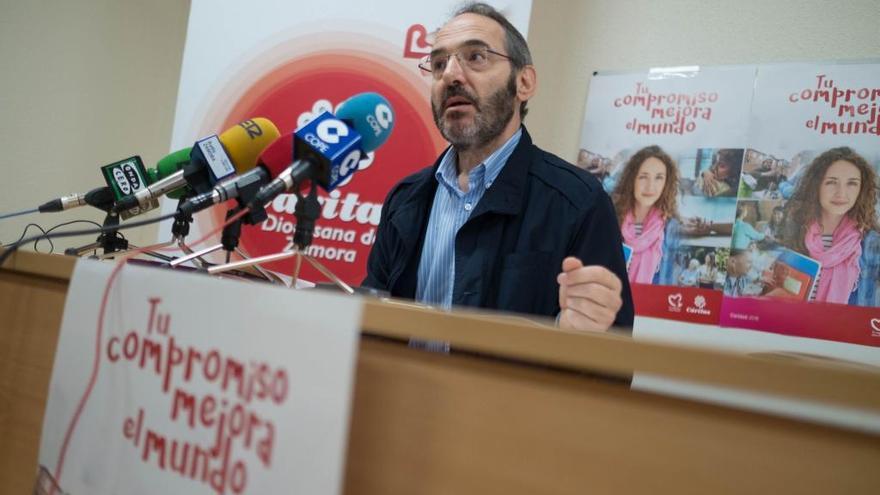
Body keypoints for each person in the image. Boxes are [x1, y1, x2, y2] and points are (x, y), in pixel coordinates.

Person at [362, 3, 634, 330]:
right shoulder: (405, 200)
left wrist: (582, 339)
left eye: (476, 57)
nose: (450, 75)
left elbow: (611, 365)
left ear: (524, 83)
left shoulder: (579, 202)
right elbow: (369, 325)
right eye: (438, 64)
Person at [781, 147, 880, 305]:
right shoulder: (795, 230)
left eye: (851, 184)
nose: (841, 193)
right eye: (831, 182)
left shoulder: (872, 244)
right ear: (816, 186)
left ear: (861, 189)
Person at [611, 145, 681, 285]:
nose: (650, 187)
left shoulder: (671, 228)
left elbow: (667, 280)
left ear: (666, 183)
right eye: (643, 177)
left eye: (659, 178)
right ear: (632, 180)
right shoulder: (611, 217)